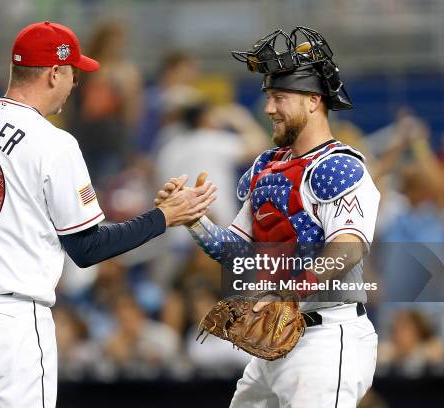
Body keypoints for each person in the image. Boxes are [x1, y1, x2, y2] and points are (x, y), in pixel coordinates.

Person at [0, 21, 216, 408]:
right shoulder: (53, 142)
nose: (75, 84)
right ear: (54, 73)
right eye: (73, 74)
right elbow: (86, 248)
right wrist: (163, 217)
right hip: (9, 318)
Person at [156, 27, 380, 407]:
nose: (268, 108)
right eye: (268, 97)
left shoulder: (339, 167)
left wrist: (288, 288)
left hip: (326, 338)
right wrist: (195, 219)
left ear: (313, 100)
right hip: (275, 341)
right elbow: (235, 251)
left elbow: (348, 249)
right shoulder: (267, 167)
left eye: (279, 97)